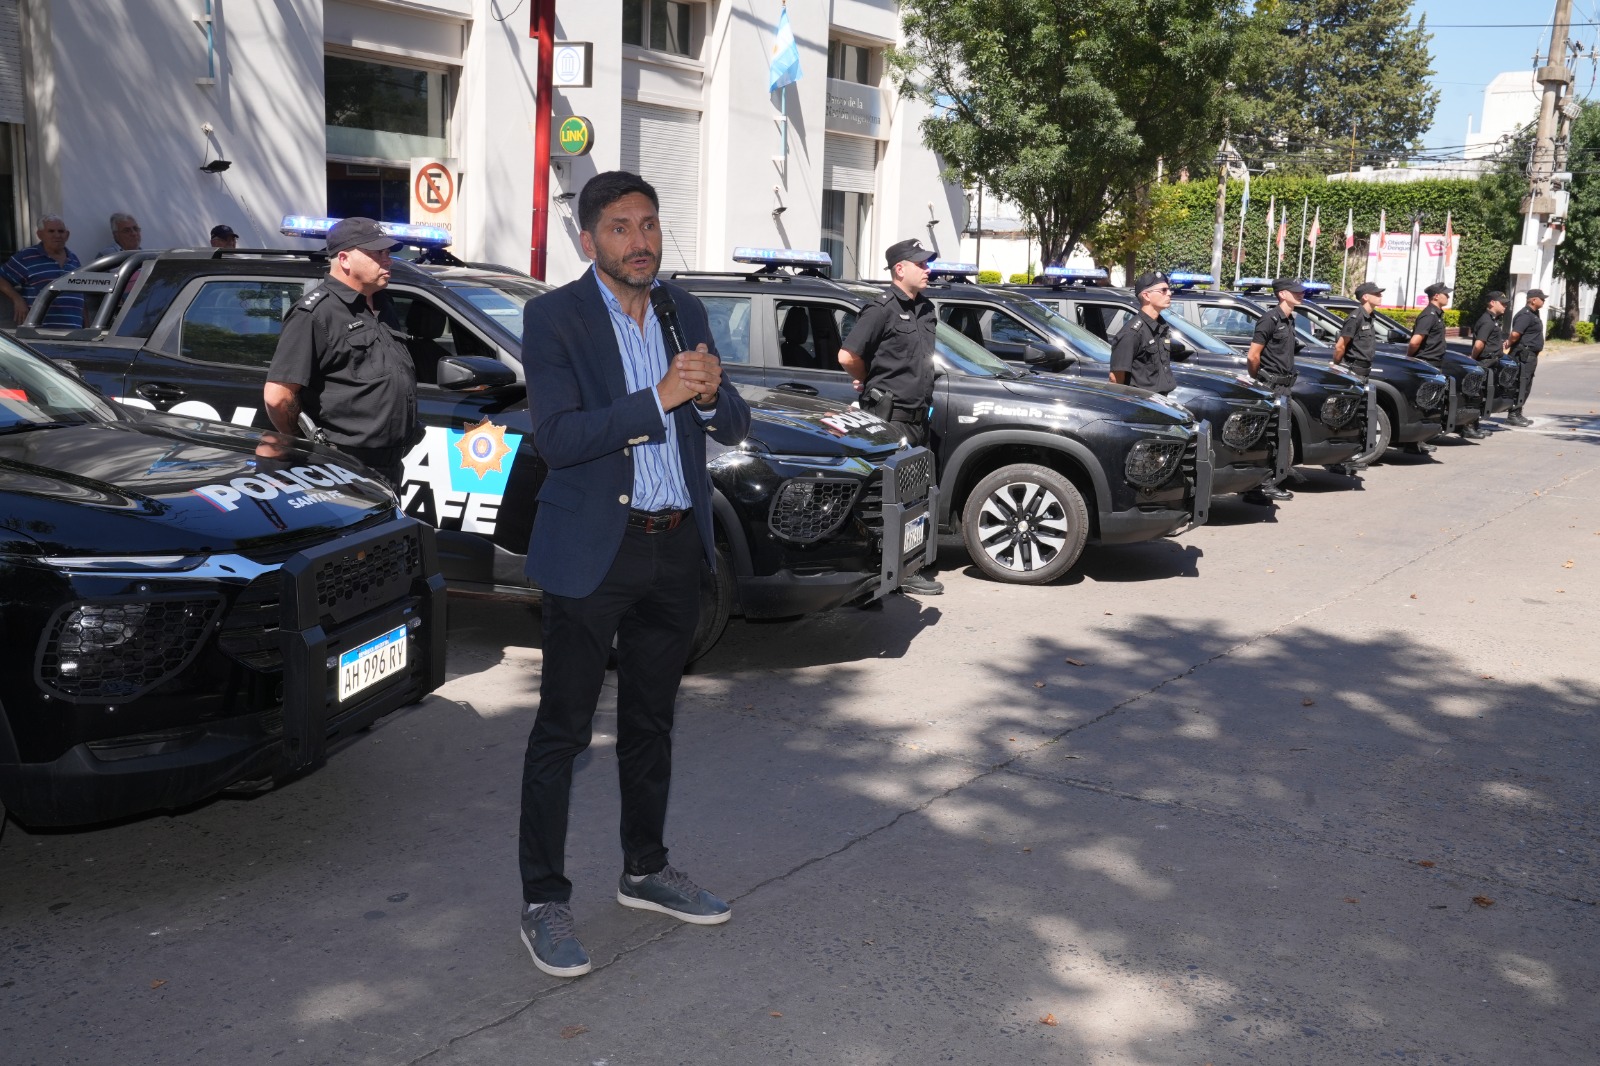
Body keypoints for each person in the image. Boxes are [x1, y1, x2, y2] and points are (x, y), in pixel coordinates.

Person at [515, 171, 752, 979]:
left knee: (652, 722)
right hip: (595, 550)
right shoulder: (554, 317)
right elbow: (557, 436)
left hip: (674, 545)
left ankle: (645, 869)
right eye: (620, 227)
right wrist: (659, 398)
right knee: (563, 730)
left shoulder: (684, 308)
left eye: (648, 224)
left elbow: (732, 419)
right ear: (589, 241)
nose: (640, 240)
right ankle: (543, 901)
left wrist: (711, 399)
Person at [263, 216, 418, 490]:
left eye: (387, 253)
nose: (388, 261)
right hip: (341, 468)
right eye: (377, 253)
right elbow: (278, 396)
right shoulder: (315, 314)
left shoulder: (383, 304)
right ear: (344, 259)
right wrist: (308, 447)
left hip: (389, 465)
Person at [836, 237, 944, 595]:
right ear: (900, 269)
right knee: (892, 500)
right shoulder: (881, 309)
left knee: (916, 498)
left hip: (918, 417)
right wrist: (869, 380)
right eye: (921, 264)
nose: (928, 270)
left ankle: (905, 564)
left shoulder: (925, 309)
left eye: (927, 263)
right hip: (890, 418)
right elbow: (847, 355)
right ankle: (895, 570)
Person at [1242, 277, 1302, 504]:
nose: (1300, 294)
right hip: (1271, 386)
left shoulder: (1289, 319)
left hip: (1284, 387)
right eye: (1295, 292)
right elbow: (1253, 356)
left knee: (1280, 434)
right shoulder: (1269, 319)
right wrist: (1259, 379)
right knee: (1268, 436)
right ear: (1282, 294)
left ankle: (1269, 480)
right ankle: (1261, 485)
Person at [1329, 280, 1386, 475]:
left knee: (1355, 417)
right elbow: (1340, 345)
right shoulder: (1356, 317)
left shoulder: (1369, 317)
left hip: (1363, 371)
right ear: (1365, 297)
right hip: (1353, 371)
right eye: (1377, 294)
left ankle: (1347, 458)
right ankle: (1336, 461)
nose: (1380, 296)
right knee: (1344, 416)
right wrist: (1338, 366)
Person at [0, 215, 84, 328]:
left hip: (74, 331)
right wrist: (17, 299)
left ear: (67, 235)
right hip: (40, 332)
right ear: (40, 235)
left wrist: (87, 328)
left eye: (61, 231)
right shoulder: (26, 257)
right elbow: (2, 278)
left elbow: (81, 294)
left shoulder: (74, 259)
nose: (57, 235)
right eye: (51, 231)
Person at [1109, 271, 1176, 394]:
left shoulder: (1160, 327)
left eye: (1168, 289)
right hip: (1142, 402)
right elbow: (1115, 379)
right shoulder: (1131, 333)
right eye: (1163, 290)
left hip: (1161, 401)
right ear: (1146, 296)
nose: (1169, 293)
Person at [1504, 289, 1546, 428]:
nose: (1544, 301)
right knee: (1521, 385)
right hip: (1524, 355)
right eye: (1542, 299)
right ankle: (1513, 415)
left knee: (1525, 385)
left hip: (1530, 355)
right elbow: (1515, 334)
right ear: (1533, 300)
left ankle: (1517, 412)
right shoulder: (1525, 315)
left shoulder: (1533, 314)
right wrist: (1509, 342)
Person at [1471, 291, 1508, 422]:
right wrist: (1472, 359)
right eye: (1502, 303)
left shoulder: (1493, 320)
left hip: (1491, 362)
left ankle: (1476, 424)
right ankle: (1471, 425)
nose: (1505, 306)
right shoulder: (1487, 321)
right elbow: (1479, 344)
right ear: (1492, 303)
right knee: (1478, 394)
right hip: (1485, 362)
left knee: (1485, 394)